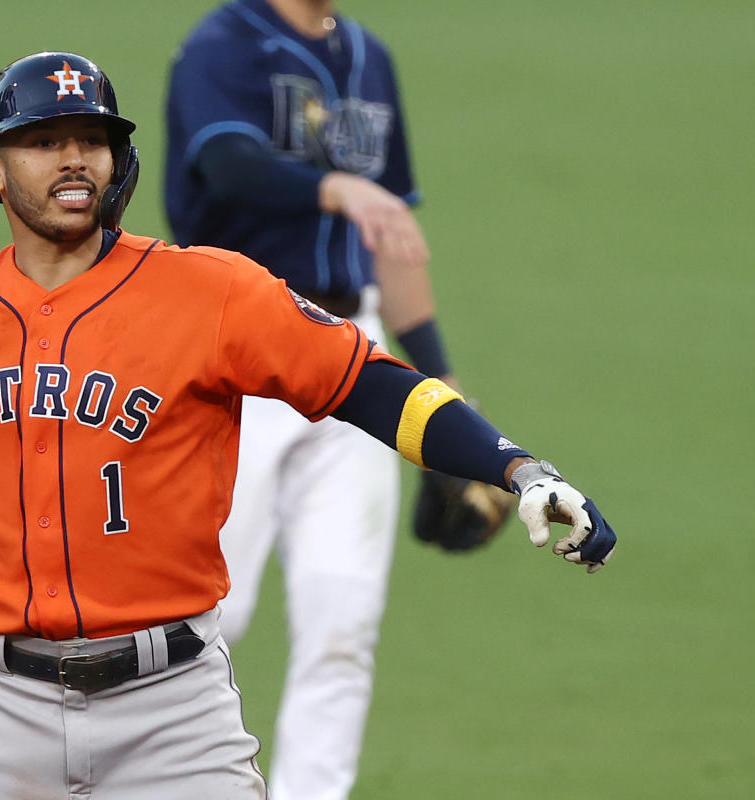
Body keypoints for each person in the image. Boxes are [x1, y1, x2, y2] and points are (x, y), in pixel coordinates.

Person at [0, 51, 615, 800]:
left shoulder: (211, 292)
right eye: (44, 142)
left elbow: (370, 384)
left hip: (174, 717)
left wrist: (518, 469)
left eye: (93, 141)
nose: (73, 159)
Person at [163, 2, 487, 796]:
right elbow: (229, 165)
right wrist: (341, 188)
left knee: (343, 628)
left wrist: (438, 380)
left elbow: (393, 231)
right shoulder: (222, 47)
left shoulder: (368, 57)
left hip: (349, 353)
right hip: (230, 361)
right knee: (204, 624)